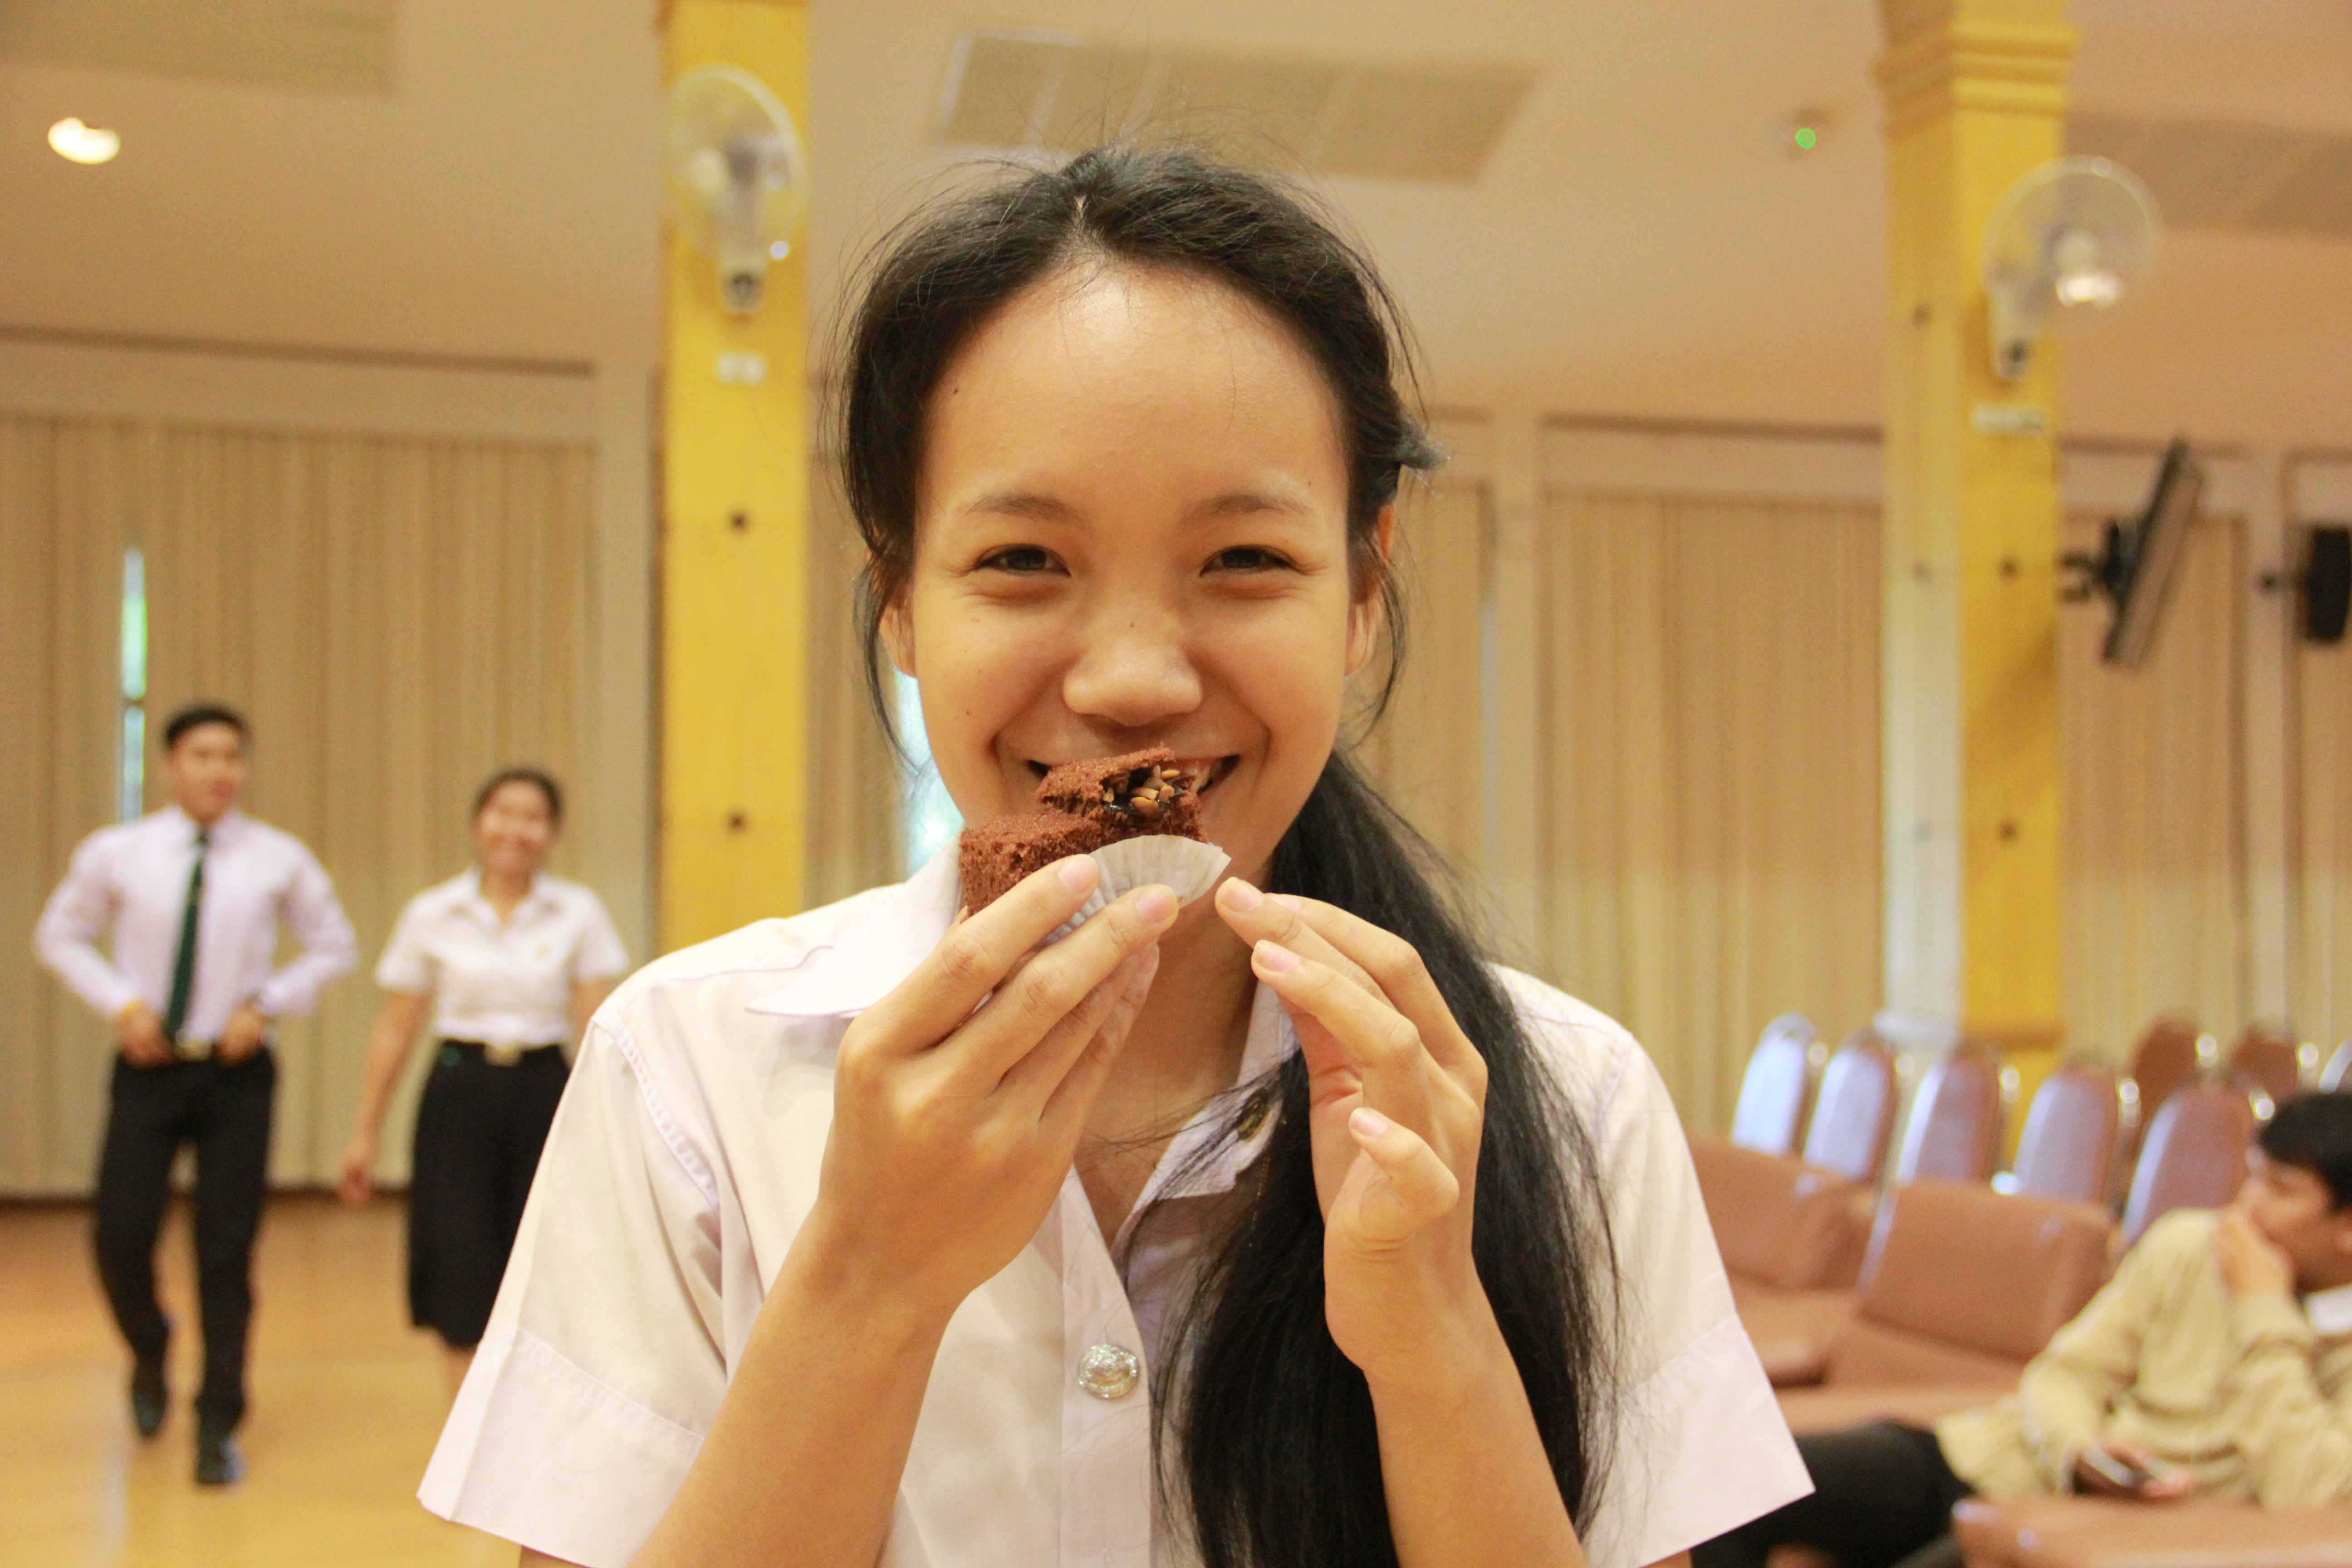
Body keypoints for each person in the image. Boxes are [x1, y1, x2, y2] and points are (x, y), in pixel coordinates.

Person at [420, 146, 1808, 1568]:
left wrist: (1435, 1334)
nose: (1135, 681)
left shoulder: (1570, 1103)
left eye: (1246, 561)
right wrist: (867, 1283)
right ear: (900, 600)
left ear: (1363, 592)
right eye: (1024, 560)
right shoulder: (691, 1073)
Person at [1695, 1090, 2352, 1568]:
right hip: (1997, 1455)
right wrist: (2081, 1449)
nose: (2247, 1208)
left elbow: (2309, 1489)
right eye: (2251, 1178)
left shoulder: (2293, 1312)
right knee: (1727, 1480)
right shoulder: (2188, 1244)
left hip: (2082, 1525)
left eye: (2282, 1191)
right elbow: (2065, 1373)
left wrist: (2262, 1307)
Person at [34, 702, 357, 1487]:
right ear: (170, 765)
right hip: (149, 1068)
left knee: (226, 1248)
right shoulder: (120, 852)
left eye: (231, 757)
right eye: (202, 755)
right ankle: (150, 1345)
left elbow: (334, 945)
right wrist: (122, 1004)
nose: (219, 771)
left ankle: (218, 1420)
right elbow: (59, 935)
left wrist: (268, 1002)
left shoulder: (277, 857)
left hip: (236, 1074)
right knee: (120, 1234)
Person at [337, 767, 627, 1392]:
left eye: (533, 817)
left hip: (544, 1090)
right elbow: (395, 1028)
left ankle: (532, 1422)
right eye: (502, 812)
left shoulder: (578, 911)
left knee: (546, 1264)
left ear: (552, 832)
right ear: (477, 823)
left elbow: (597, 1025)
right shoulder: (433, 912)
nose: (515, 829)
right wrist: (364, 1132)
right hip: (459, 1092)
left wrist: (612, 1128)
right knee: (460, 1264)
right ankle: (465, 1432)